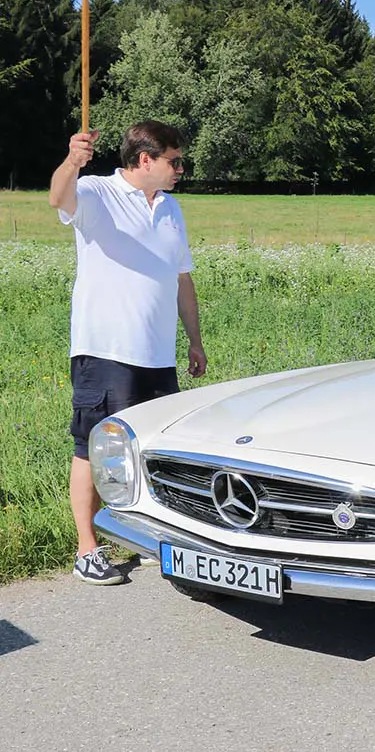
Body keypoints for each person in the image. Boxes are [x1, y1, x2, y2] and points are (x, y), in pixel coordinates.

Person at [49, 120, 206, 585]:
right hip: (105, 350)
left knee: (152, 450)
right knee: (93, 448)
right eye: (174, 161)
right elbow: (58, 198)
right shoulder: (97, 192)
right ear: (145, 160)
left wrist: (194, 340)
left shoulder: (172, 208)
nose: (181, 169)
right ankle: (87, 550)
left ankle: (148, 537)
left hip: (158, 355)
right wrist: (72, 161)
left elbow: (182, 278)